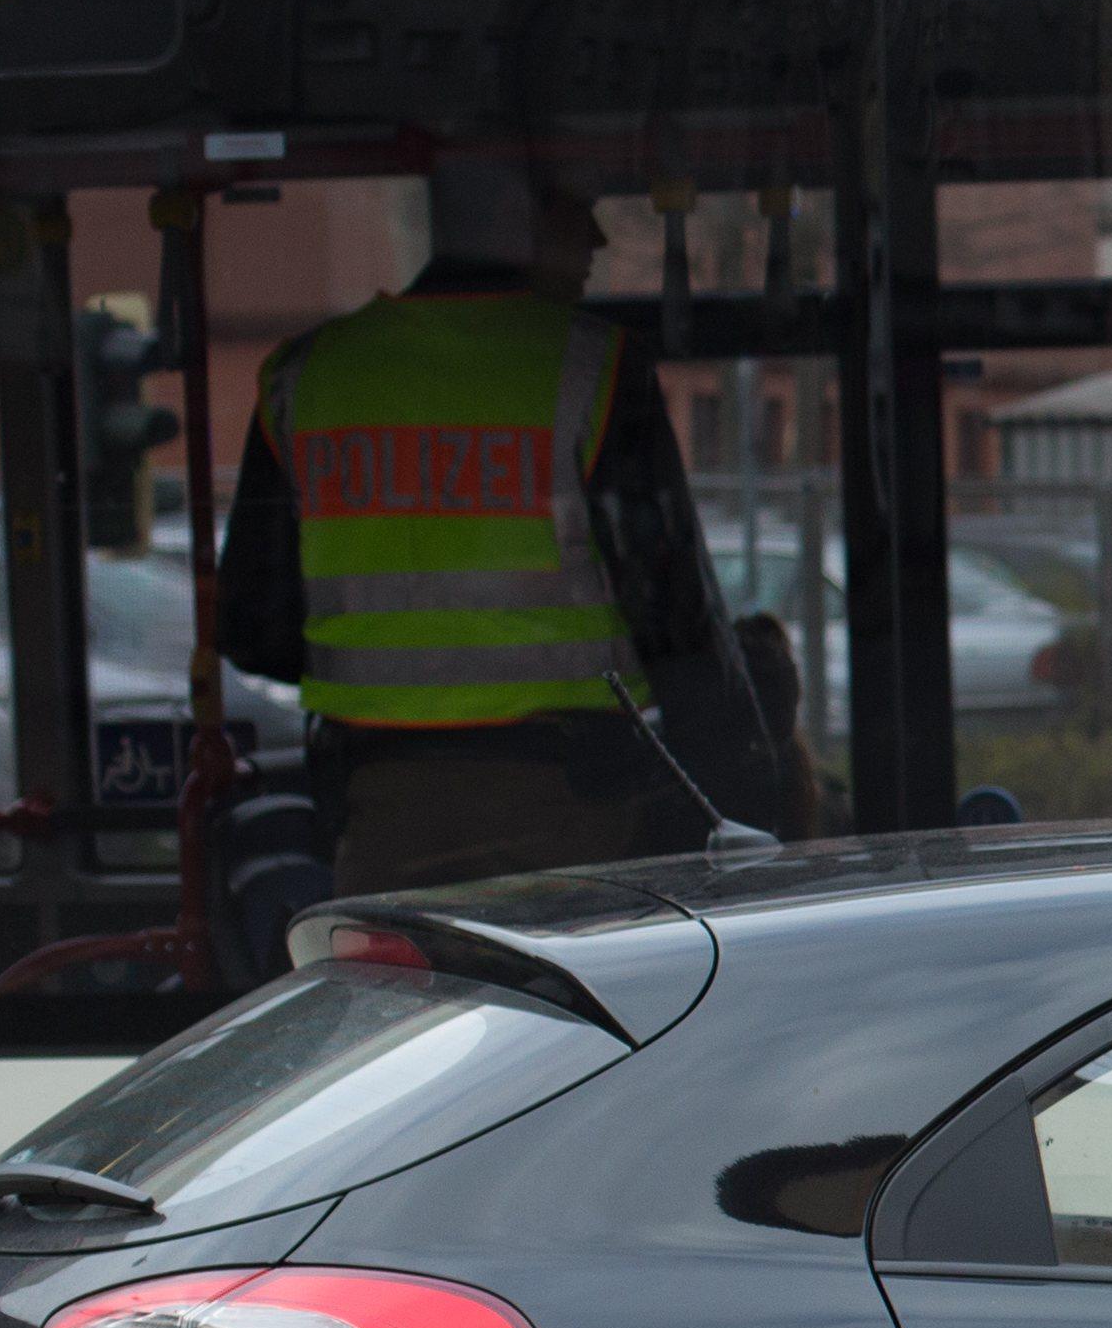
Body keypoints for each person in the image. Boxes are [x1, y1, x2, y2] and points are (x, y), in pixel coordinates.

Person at [221, 150, 769, 896]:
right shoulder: (595, 371)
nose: (599, 244)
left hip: (377, 804)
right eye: (581, 216)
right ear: (523, 225)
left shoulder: (304, 376)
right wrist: (747, 785)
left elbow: (254, 627)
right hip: (570, 802)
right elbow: (675, 616)